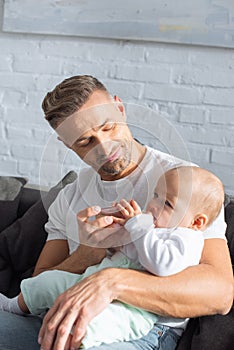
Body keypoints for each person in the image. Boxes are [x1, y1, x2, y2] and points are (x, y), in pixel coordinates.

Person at [0, 75, 232, 350]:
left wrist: (112, 281)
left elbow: (220, 293)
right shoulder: (69, 197)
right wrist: (88, 254)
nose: (104, 147)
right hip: (58, 316)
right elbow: (40, 284)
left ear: (119, 108)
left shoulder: (184, 185)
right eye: (85, 141)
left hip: (140, 329)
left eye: (108, 127)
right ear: (67, 144)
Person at [0, 166, 225, 350]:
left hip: (132, 309)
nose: (154, 205)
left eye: (167, 203)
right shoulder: (149, 226)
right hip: (87, 283)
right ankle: (14, 304)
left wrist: (139, 230)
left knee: (97, 323)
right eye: (155, 195)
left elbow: (163, 266)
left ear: (197, 222)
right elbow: (121, 252)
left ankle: (75, 340)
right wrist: (110, 235)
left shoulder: (187, 239)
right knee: (48, 282)